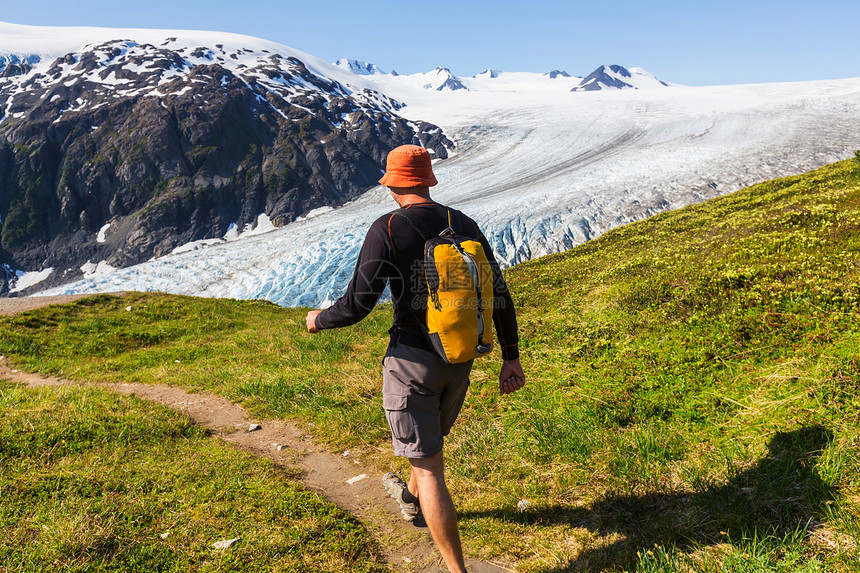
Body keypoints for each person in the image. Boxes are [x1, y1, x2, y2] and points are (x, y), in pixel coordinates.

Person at [305, 144, 525, 573]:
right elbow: (499, 294)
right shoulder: (461, 223)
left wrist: (319, 320)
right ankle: (408, 501)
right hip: (459, 360)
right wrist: (510, 357)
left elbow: (357, 304)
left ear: (392, 183)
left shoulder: (388, 227)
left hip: (412, 363)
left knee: (430, 471)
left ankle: (457, 569)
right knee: (425, 449)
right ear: (426, 179)